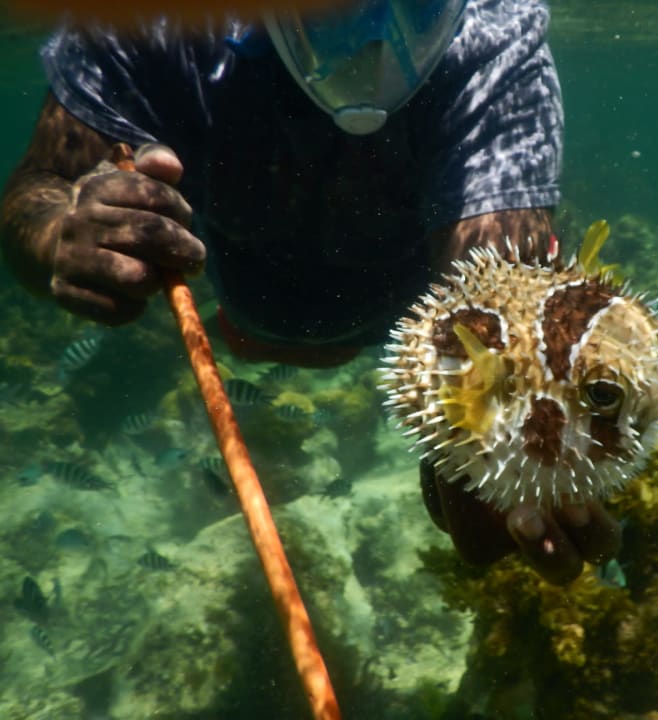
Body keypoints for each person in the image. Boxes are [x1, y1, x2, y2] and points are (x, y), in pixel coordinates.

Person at [0, 0, 621, 584]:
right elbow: (42, 182)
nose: (373, 45)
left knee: (287, 339)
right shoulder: (155, 20)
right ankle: (256, 337)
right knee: (257, 337)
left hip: (397, 316)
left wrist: (495, 415)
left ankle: (267, 338)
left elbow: (496, 275)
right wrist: (61, 234)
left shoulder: (496, 28)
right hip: (249, 301)